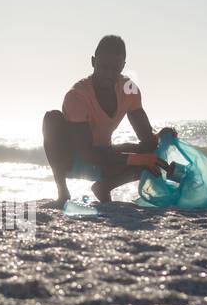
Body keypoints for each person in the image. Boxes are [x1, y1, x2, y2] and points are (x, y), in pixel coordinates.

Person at [42, 35, 173, 205]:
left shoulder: (129, 90)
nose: (109, 75)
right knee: (52, 118)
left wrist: (161, 137)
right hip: (74, 159)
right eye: (103, 67)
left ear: (123, 66)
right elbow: (87, 153)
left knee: (152, 151)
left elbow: (146, 137)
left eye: (115, 68)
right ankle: (62, 193)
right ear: (93, 61)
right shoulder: (77, 96)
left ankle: (104, 187)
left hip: (106, 156)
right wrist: (136, 159)